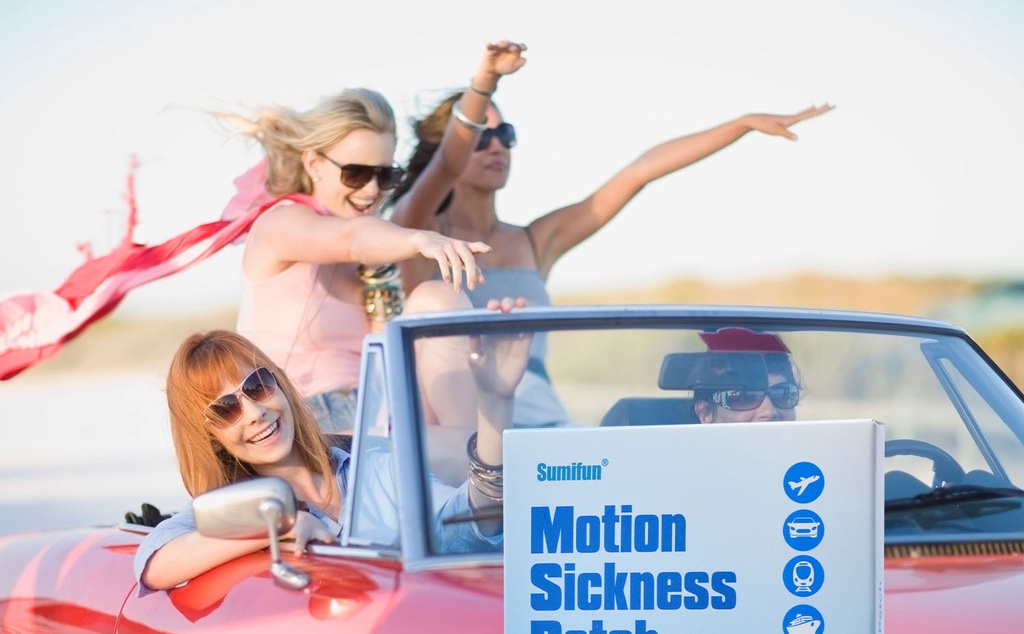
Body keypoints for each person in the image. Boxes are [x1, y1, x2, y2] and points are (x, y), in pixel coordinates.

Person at [387, 43, 832, 426]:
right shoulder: (417, 234)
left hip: (542, 416)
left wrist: (741, 124)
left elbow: (638, 173)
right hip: (465, 418)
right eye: (480, 137)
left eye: (506, 134)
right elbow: (445, 165)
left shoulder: (536, 240)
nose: (498, 145)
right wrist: (486, 82)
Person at [134, 323, 529, 591]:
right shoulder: (227, 509)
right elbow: (154, 564)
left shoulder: (373, 470)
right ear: (212, 437)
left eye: (257, 385)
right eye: (226, 409)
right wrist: (277, 529)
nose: (254, 412)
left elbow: (471, 521)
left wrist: (496, 401)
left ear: (280, 384)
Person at [212, 87, 494, 433]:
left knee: (437, 298)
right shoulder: (281, 224)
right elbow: (350, 239)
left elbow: (445, 169)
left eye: (386, 175)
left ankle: (471, 453)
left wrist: (486, 82)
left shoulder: (381, 249)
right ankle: (464, 453)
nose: (372, 190)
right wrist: (421, 239)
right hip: (305, 419)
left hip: (381, 408)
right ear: (314, 164)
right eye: (356, 173)